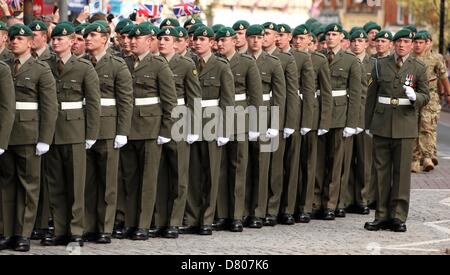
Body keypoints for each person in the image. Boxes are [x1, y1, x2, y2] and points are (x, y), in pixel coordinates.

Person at [40, 22, 100, 247]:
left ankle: (76, 230)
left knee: (76, 184)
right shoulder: (44, 65)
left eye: (61, 39)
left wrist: (91, 133)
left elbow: (93, 102)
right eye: (54, 39)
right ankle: (59, 229)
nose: (56, 42)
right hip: (52, 131)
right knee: (55, 183)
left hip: (75, 130)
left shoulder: (84, 67)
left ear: (72, 41)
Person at [364, 28, 429, 233]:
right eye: (398, 41)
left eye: (406, 42)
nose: (402, 45)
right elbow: (371, 96)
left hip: (404, 123)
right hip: (382, 123)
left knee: (401, 174)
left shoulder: (418, 67)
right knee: (381, 173)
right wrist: (368, 124)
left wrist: (415, 97)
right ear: (394, 44)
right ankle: (381, 215)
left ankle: (399, 217)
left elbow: (425, 96)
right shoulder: (380, 64)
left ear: (411, 45)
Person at [0, 24, 57, 252]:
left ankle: (23, 234)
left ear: (31, 42)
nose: (15, 41)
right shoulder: (5, 67)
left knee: (28, 185)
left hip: (29, 134)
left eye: (21, 38)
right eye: (12, 38)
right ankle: (7, 232)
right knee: (6, 185)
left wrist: (45, 138)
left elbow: (49, 106)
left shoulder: (41, 69)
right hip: (6, 134)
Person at [121, 23, 177, 240]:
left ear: (149, 40)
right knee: (130, 178)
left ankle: (143, 225)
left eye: (139, 38)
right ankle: (130, 223)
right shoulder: (124, 63)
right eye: (131, 38)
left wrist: (165, 129)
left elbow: (169, 101)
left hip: (151, 129)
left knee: (148, 180)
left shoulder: (159, 65)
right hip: (128, 128)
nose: (133, 41)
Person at [82, 22, 133, 244]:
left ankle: (105, 227)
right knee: (88, 181)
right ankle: (88, 225)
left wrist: (122, 131)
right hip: (83, 127)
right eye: (86, 35)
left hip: (108, 129)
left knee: (107, 182)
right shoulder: (82, 63)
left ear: (104, 39)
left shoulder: (117, 65)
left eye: (93, 35)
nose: (88, 38)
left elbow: (125, 100)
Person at [185, 26, 234, 235]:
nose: (198, 43)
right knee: (193, 173)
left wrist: (225, 129)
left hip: (213, 121)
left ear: (211, 42)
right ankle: (192, 217)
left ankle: (207, 218)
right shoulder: (189, 63)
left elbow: (227, 99)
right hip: (191, 122)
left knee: (212, 172)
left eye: (203, 39)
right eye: (195, 39)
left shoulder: (221, 66)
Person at [214, 27, 263, 232]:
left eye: (224, 40)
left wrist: (255, 124)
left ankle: (236, 215)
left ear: (234, 41)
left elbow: (256, 96)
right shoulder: (214, 62)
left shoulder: (246, 63)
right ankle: (223, 213)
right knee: (221, 168)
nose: (220, 44)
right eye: (218, 41)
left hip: (240, 119)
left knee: (238, 168)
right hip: (216, 119)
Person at [154, 27, 202, 238]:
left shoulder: (185, 65)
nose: (162, 42)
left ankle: (174, 220)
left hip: (180, 121)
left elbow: (193, 99)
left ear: (176, 43)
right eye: (160, 38)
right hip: (158, 122)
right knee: (160, 174)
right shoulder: (153, 63)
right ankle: (160, 219)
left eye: (167, 39)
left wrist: (194, 126)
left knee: (179, 174)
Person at [411, 31, 450, 172]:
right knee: (413, 126)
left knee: (427, 126)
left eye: (421, 42)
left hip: (430, 96)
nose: (417, 45)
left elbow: (443, 77)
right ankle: (415, 158)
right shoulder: (409, 57)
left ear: (428, 43)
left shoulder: (436, 58)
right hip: (413, 96)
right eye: (415, 42)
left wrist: (447, 94)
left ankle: (427, 157)